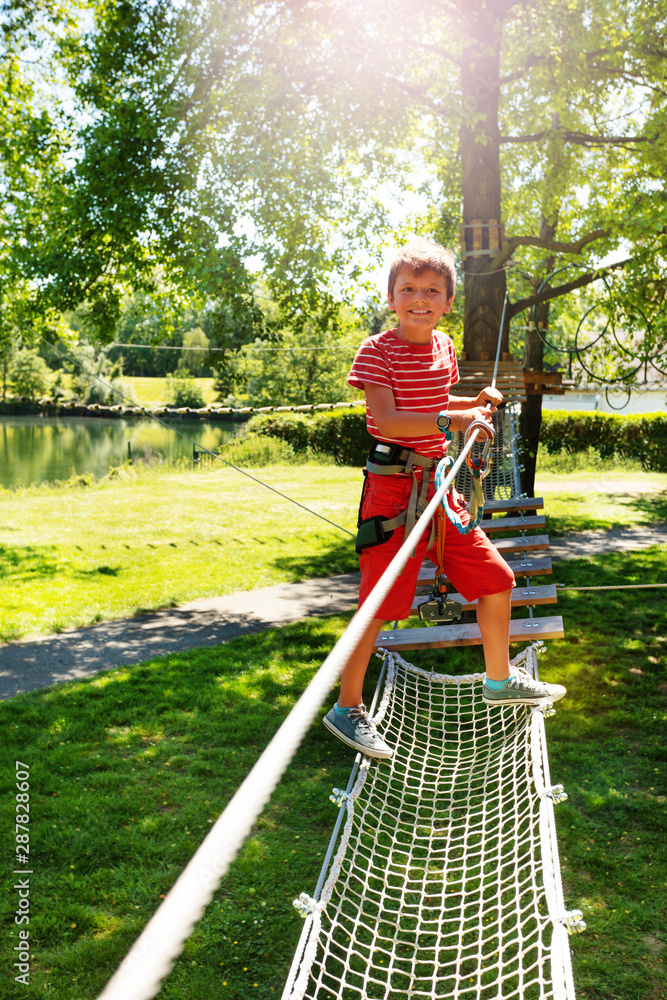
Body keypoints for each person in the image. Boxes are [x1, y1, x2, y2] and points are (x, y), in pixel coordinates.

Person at [323, 238, 566, 759]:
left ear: (448, 301)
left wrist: (471, 405)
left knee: (496, 580)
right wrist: (450, 419)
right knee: (378, 606)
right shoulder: (377, 351)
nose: (420, 298)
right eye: (408, 288)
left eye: (432, 290)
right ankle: (348, 707)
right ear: (391, 297)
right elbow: (388, 418)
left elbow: (436, 403)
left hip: (439, 485)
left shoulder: (444, 348)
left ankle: (499, 681)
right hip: (392, 490)